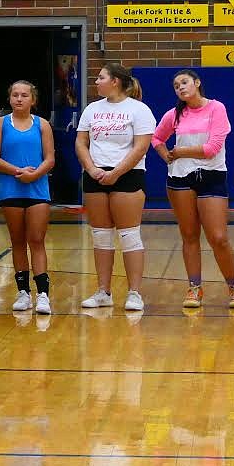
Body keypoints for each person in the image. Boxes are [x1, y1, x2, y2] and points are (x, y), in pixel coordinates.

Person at [151, 70, 234, 309]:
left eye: (184, 82)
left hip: (211, 176)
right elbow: (156, 138)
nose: (180, 88)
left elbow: (212, 148)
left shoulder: (216, 108)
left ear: (197, 83)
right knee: (189, 235)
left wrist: (180, 152)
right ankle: (194, 288)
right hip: (180, 178)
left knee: (218, 237)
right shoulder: (174, 114)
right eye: (176, 85)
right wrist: (168, 158)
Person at [76, 63, 155, 312]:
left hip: (127, 176)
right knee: (101, 236)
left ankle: (134, 293)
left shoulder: (138, 110)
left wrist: (116, 173)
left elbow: (141, 147)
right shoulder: (92, 109)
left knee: (129, 236)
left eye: (100, 77)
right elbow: (81, 142)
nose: (96, 82)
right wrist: (91, 169)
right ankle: (103, 292)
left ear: (116, 82)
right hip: (95, 175)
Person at [0, 80, 55, 314]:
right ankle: (23, 292)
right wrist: (18, 171)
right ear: (9, 99)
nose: (19, 99)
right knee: (17, 240)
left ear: (33, 100)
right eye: (15, 95)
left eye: (24, 95)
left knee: (36, 239)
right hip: (11, 189)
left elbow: (49, 158)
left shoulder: (42, 125)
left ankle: (43, 294)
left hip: (37, 188)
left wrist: (35, 173)